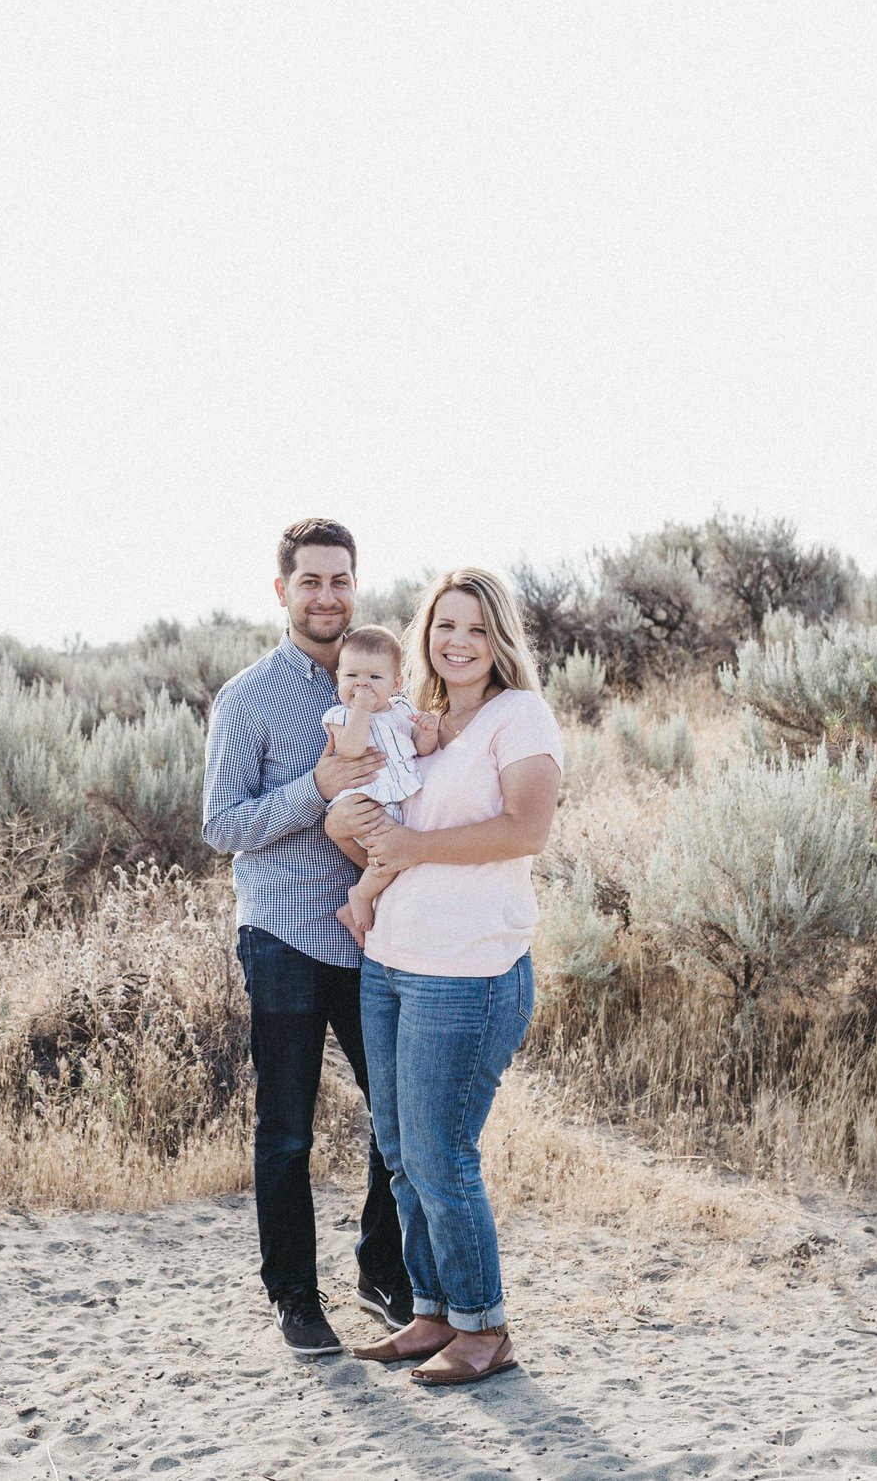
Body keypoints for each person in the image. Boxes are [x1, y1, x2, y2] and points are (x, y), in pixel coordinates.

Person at [326, 567, 564, 1388]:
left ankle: (485, 1326)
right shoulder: (417, 725)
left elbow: (525, 828)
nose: (456, 641)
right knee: (398, 1150)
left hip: (468, 970)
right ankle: (431, 1310)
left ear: (498, 637)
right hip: (389, 960)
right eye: (443, 626)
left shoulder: (518, 715)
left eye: (473, 627)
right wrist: (356, 831)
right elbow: (383, 831)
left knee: (442, 1152)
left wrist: (413, 847)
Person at [200, 519, 416, 1360]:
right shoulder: (247, 697)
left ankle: (381, 1269)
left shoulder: (387, 682)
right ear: (282, 589)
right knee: (287, 1127)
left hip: (376, 933)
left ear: (355, 586)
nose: (327, 595)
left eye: (341, 580)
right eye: (311, 581)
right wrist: (315, 786)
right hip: (285, 931)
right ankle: (294, 1294)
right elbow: (222, 824)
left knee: (393, 1111)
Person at [320, 624, 440, 942]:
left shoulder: (401, 710)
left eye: (374, 678)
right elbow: (351, 749)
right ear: (338, 678)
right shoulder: (342, 715)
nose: (362, 684)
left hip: (393, 800)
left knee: (393, 858)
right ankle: (359, 897)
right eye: (351, 677)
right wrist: (361, 708)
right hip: (364, 802)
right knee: (390, 855)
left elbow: (418, 749)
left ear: (396, 683)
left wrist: (426, 733)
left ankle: (364, 902)